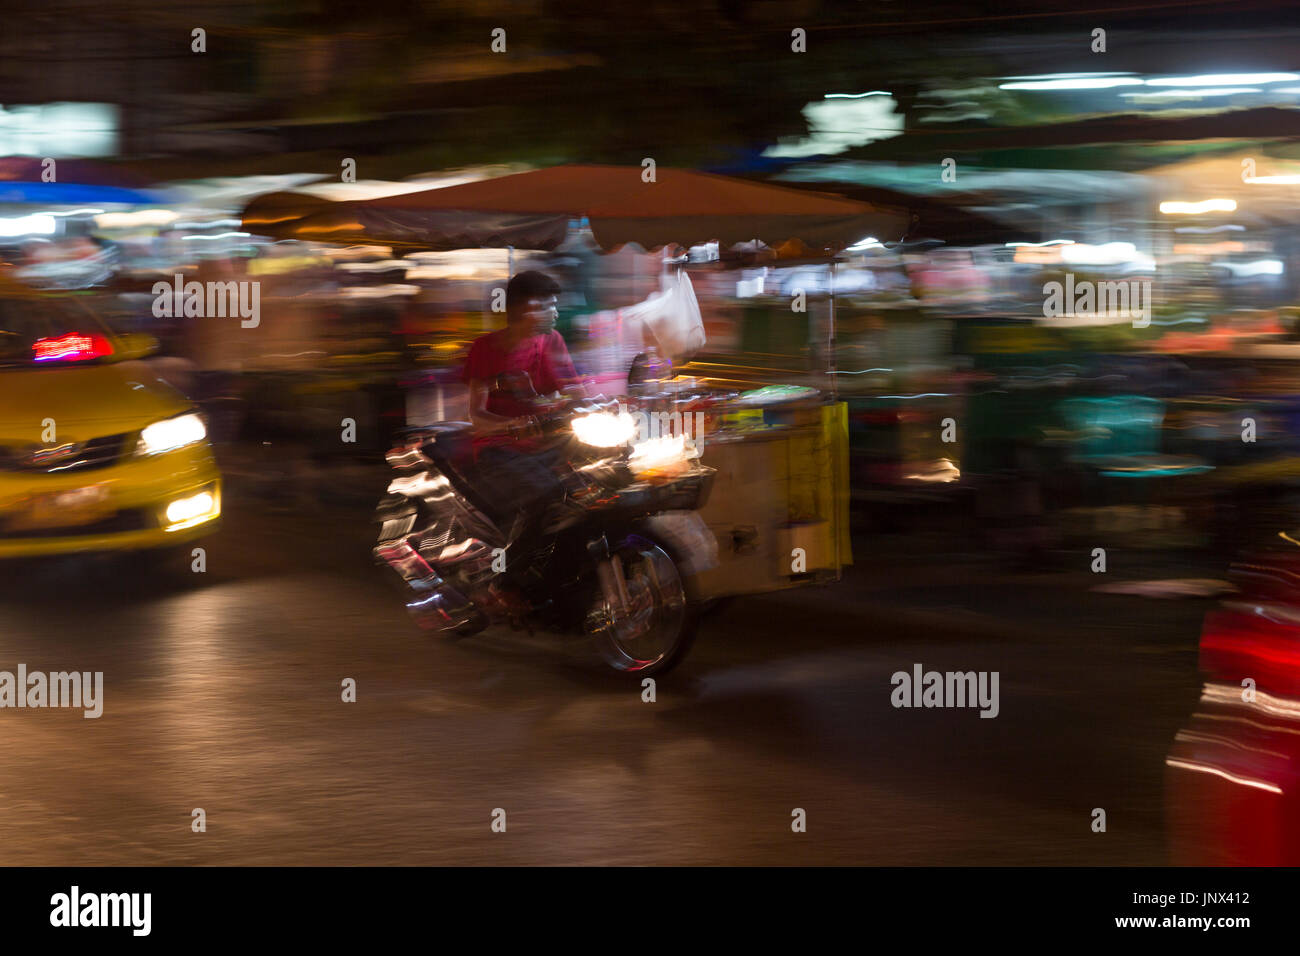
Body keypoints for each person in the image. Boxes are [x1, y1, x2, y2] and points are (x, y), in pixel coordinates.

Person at [461, 270, 587, 581]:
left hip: (548, 445)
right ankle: (503, 582)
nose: (556, 312)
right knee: (546, 498)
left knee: (597, 487)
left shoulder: (552, 340)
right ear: (525, 309)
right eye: (548, 305)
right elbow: (476, 415)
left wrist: (607, 403)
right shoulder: (485, 350)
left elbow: (575, 392)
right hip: (499, 452)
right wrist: (514, 424)